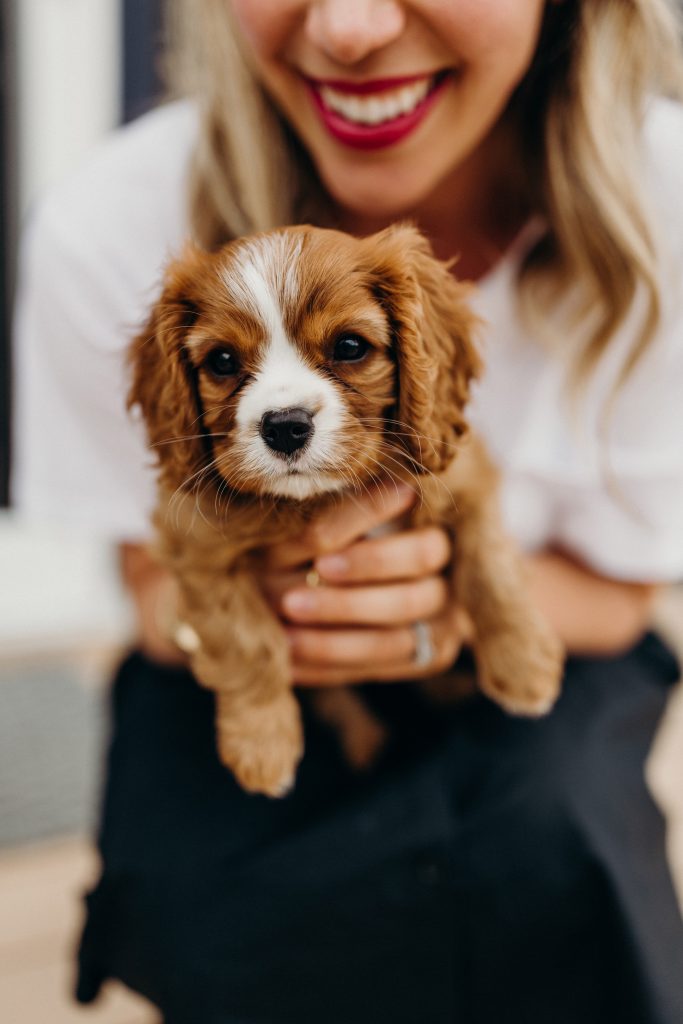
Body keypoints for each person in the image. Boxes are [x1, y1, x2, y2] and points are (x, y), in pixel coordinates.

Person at [12, 1, 683, 1021]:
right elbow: (157, 577)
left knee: (558, 843)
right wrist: (243, 647)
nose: (353, 25)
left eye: (349, 349)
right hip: (233, 658)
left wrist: (462, 613)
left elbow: (623, 594)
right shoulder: (105, 220)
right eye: (225, 367)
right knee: (218, 897)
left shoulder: (662, 195)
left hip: (543, 647)